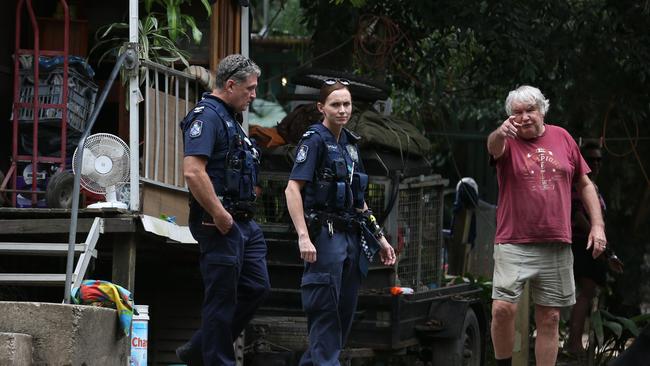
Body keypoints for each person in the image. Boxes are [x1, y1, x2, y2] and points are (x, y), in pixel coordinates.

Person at [486, 85, 607, 366]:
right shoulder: (506, 141)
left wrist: (597, 226)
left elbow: (585, 183)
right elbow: (493, 147)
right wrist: (500, 133)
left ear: (542, 110)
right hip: (513, 240)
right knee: (502, 309)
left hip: (556, 241)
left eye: (530, 110)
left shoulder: (563, 137)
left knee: (550, 317)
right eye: (517, 112)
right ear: (510, 117)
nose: (525, 117)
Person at [284, 79, 396, 366]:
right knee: (324, 310)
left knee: (344, 313)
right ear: (322, 107)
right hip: (325, 237)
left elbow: (360, 201)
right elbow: (292, 189)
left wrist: (381, 239)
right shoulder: (314, 140)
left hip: (351, 238)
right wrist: (303, 237)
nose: (343, 110)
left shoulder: (350, 144)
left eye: (347, 104)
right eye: (336, 104)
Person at [176, 54, 270, 366]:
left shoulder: (231, 118)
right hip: (218, 222)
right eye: (250, 88)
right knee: (221, 300)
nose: (254, 95)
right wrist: (218, 213)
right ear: (230, 85)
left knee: (257, 287)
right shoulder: (208, 116)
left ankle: (197, 351)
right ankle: (215, 360)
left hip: (244, 223)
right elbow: (193, 172)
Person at [566, 141, 623, 356]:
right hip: (581, 243)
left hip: (592, 245)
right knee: (586, 292)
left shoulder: (593, 187)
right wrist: (600, 242)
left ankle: (573, 342)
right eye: (590, 159)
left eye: (599, 159)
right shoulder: (577, 184)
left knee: (588, 293)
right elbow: (577, 216)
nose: (596, 163)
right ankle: (573, 343)